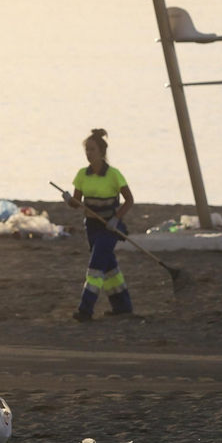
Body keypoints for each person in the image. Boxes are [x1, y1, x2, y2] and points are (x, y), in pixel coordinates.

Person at [65, 128, 135, 321]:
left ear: (102, 152)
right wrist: (68, 199)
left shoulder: (114, 174)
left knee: (96, 267)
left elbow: (129, 200)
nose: (88, 153)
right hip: (92, 227)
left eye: (92, 149)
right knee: (109, 267)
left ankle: (85, 309)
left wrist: (116, 219)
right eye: (86, 149)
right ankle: (123, 306)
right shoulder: (82, 174)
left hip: (109, 228)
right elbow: (76, 203)